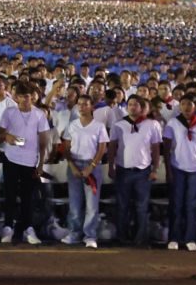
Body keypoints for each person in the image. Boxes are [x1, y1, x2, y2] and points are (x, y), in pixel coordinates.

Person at [0, 82, 51, 245]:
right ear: (16, 97)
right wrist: (7, 137)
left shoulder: (39, 114)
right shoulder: (9, 112)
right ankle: (8, 227)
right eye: (22, 96)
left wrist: (41, 164)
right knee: (10, 194)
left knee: (28, 197)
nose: (26, 99)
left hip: (30, 161)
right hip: (11, 158)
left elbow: (43, 142)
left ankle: (28, 228)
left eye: (28, 96)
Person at [107, 95, 162, 247]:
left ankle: (140, 238)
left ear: (141, 107)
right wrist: (111, 166)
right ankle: (122, 237)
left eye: (135, 105)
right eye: (130, 104)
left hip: (143, 171)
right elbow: (112, 147)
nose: (132, 107)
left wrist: (155, 169)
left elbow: (156, 149)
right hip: (123, 170)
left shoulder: (152, 124)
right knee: (122, 206)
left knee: (141, 207)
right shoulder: (119, 125)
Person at [162, 93, 196, 252]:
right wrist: (168, 170)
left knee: (191, 205)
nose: (186, 107)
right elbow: (167, 149)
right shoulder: (173, 123)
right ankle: (174, 238)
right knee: (176, 204)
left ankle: (190, 238)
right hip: (177, 168)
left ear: (195, 106)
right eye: (183, 104)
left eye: (189, 104)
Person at [63, 94, 109, 249]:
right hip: (74, 165)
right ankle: (74, 233)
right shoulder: (72, 125)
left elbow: (102, 148)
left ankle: (90, 235)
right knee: (75, 203)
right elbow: (66, 148)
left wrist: (92, 166)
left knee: (92, 205)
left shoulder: (99, 126)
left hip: (92, 166)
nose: (81, 107)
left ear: (92, 107)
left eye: (85, 104)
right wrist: (72, 165)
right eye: (79, 104)